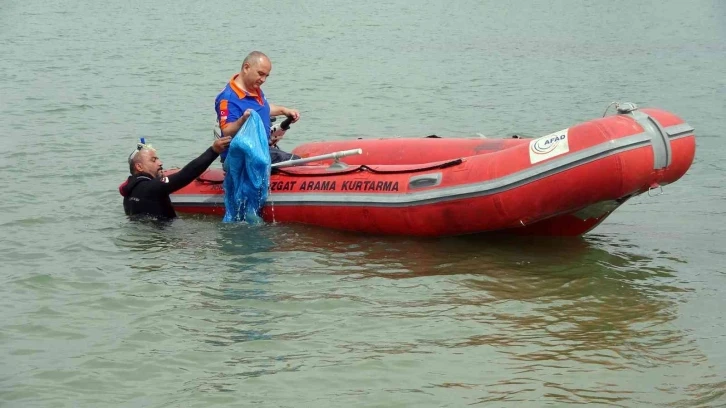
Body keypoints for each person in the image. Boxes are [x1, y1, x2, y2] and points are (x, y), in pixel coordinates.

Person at [215, 51, 301, 164]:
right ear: (246, 68)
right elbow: (226, 132)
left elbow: (262, 108)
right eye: (260, 74)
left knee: (295, 159)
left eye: (266, 76)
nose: (263, 79)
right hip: (241, 157)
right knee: (296, 162)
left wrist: (284, 111)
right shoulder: (228, 97)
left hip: (262, 149)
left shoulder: (253, 87)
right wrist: (243, 119)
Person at [120, 136, 232, 219]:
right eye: (153, 160)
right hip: (164, 240)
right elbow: (185, 174)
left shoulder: (128, 193)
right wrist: (213, 151)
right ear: (139, 166)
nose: (160, 163)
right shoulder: (152, 188)